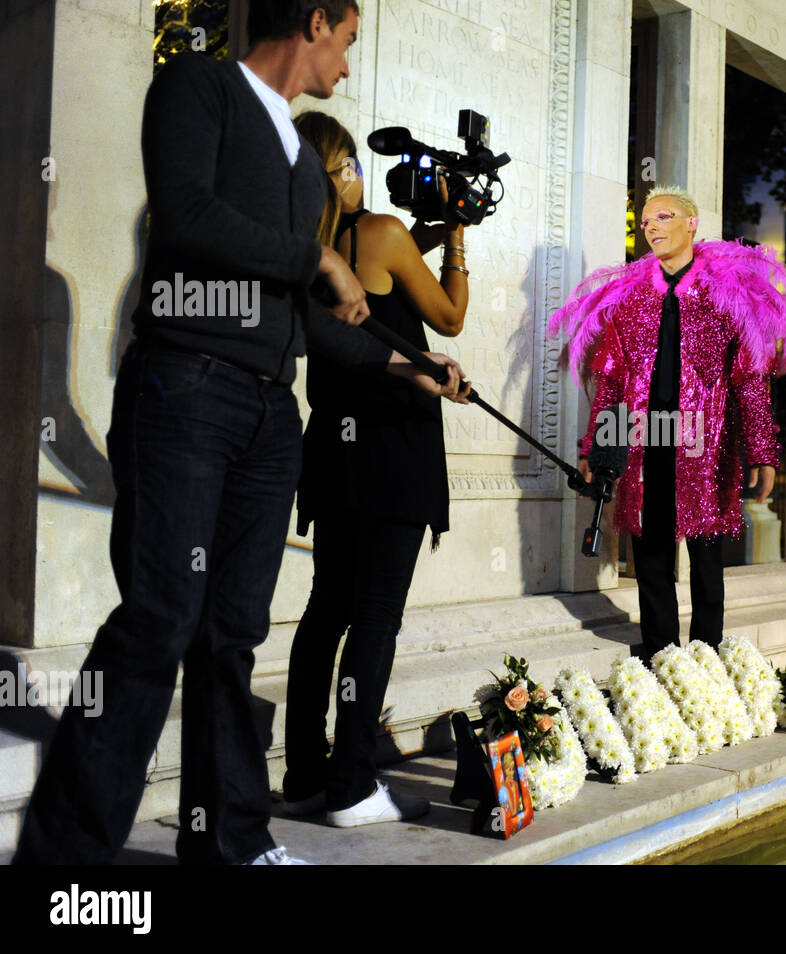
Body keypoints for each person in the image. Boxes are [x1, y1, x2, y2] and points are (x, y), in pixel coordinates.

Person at [14, 0, 463, 866]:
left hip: (268, 417)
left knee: (232, 633)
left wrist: (403, 367)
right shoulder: (198, 88)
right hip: (184, 390)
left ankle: (229, 841)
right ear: (317, 20)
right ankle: (61, 861)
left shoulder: (301, 160)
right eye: (350, 41)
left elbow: (299, 316)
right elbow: (186, 215)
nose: (348, 64)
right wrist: (318, 258)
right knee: (157, 619)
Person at [281, 111, 469, 827]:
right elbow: (448, 317)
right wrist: (455, 242)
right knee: (377, 620)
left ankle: (305, 774)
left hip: (333, 448)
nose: (360, 174)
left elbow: (375, 287)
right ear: (335, 172)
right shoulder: (382, 233)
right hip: (395, 448)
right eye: (350, 163)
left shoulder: (303, 249)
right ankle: (353, 785)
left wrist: (425, 236)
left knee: (327, 611)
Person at [548, 186, 786, 659]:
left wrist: (763, 453)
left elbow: (750, 380)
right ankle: (662, 656)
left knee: (707, 560)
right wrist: (595, 450)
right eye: (645, 220)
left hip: (705, 443)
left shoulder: (726, 293)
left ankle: (707, 661)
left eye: (663, 216)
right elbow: (610, 380)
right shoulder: (628, 297)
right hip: (647, 442)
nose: (652, 226)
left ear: (692, 223)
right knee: (650, 555)